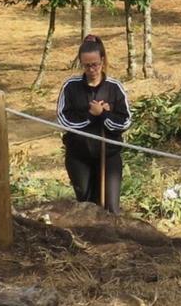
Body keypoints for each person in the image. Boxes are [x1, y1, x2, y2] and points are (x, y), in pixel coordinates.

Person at [56, 35, 131, 214]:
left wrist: (104, 114)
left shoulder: (115, 87)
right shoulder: (70, 87)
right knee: (87, 205)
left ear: (102, 61)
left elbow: (125, 121)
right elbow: (63, 119)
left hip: (108, 156)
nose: (91, 69)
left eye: (95, 64)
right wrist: (91, 115)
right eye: (87, 65)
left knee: (111, 208)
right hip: (79, 156)